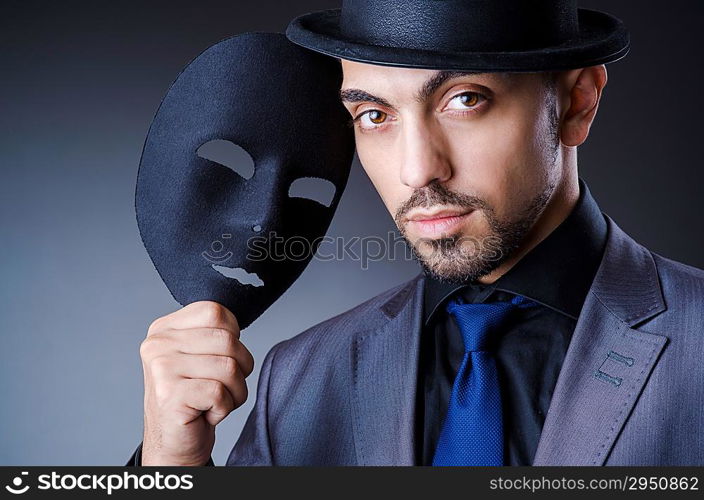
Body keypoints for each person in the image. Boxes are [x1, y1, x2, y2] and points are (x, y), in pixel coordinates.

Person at [127, 0, 704, 466]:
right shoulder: (299, 379)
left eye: (464, 100)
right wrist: (170, 464)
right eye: (374, 115)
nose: (416, 170)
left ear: (577, 102)